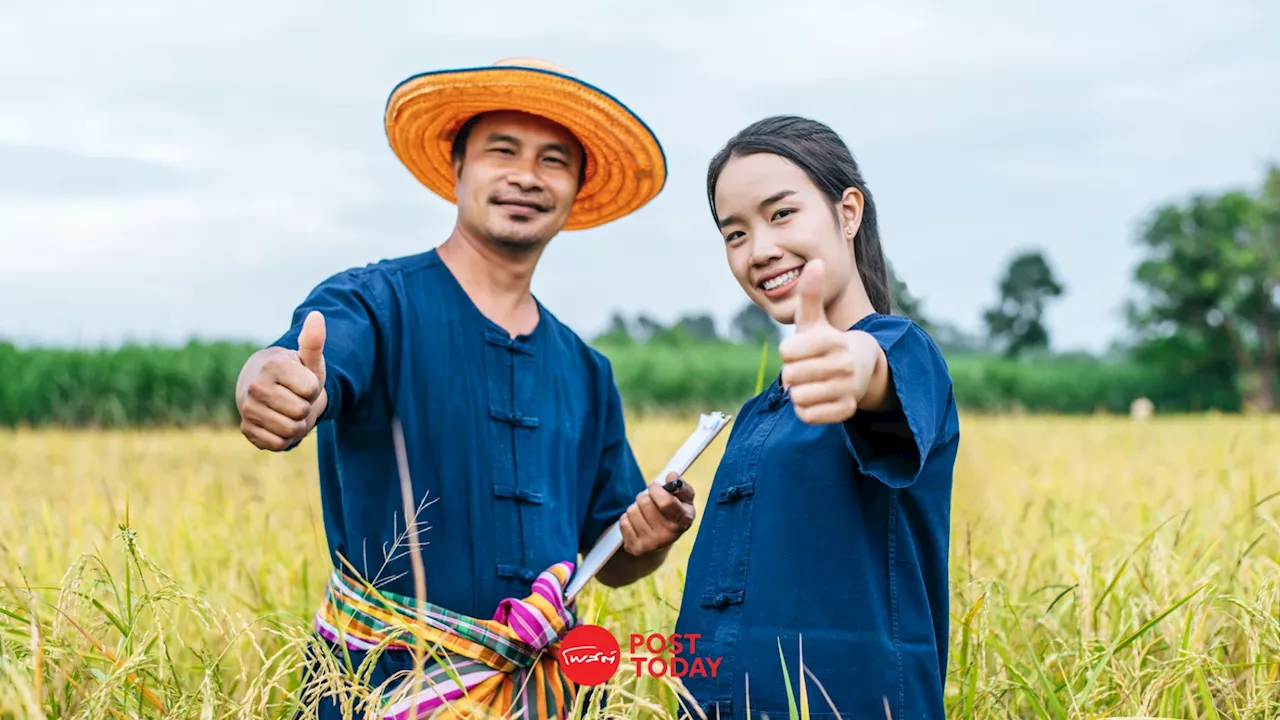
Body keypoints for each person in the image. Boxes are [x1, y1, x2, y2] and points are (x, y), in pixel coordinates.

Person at [233, 57, 696, 718]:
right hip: (380, 687)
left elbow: (613, 558)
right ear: (457, 168)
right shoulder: (375, 303)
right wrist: (268, 381)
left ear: (576, 186)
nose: (526, 177)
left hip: (541, 696)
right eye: (501, 151)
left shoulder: (586, 371)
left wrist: (651, 539)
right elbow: (298, 365)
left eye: (554, 161)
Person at [671, 116, 959, 720]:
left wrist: (852, 364)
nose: (761, 250)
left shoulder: (903, 351)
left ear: (847, 212)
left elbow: (871, 373)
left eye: (781, 214)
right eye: (735, 233)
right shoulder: (756, 414)